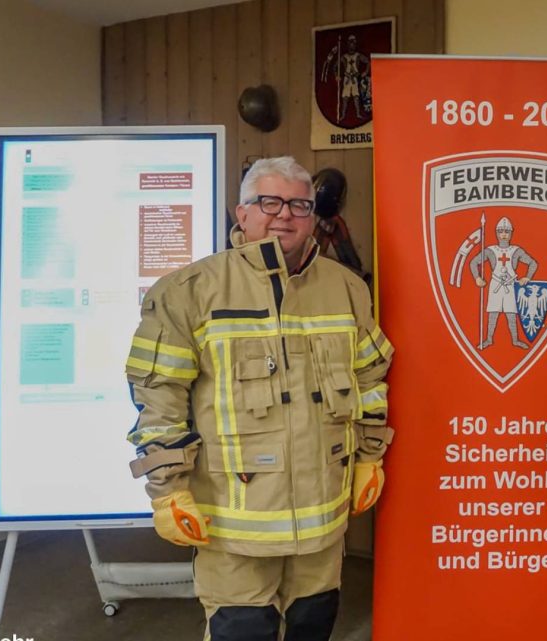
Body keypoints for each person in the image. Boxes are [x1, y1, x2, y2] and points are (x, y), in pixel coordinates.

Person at [125, 156, 394, 641]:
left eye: (298, 204)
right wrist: (167, 489)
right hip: (235, 522)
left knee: (314, 623)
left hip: (323, 515)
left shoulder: (348, 289)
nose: (284, 214)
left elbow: (370, 377)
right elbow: (158, 395)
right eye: (268, 202)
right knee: (242, 631)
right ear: (241, 213)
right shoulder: (189, 292)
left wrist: (369, 456)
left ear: (314, 216)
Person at [470, 216, 538, 349]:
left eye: (506, 232)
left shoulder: (516, 251)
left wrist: (527, 277)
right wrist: (477, 278)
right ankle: (489, 339)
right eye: (501, 231)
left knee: (511, 314)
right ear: (497, 233)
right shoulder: (491, 251)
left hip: (510, 285)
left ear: (511, 233)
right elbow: (473, 262)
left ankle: (515, 340)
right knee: (493, 314)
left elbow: (533, 263)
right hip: (495, 285)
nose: (503, 235)